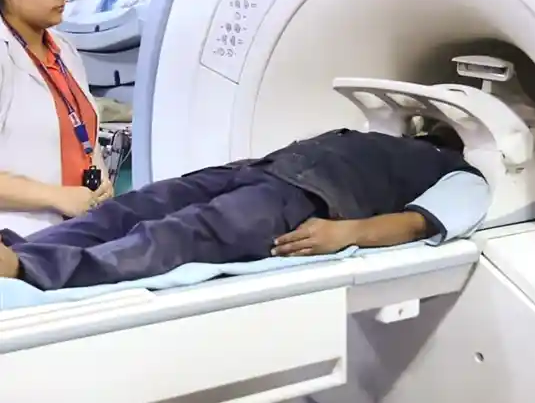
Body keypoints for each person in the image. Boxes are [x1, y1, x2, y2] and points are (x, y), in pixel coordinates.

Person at [0, 123, 491, 290]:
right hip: (257, 170)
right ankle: (19, 251)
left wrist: (348, 233)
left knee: (183, 234)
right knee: (131, 208)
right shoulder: (383, 140)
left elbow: (421, 222)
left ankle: (29, 270)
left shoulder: (463, 175)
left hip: (303, 201)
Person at [0, 0, 113, 236]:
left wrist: (100, 181)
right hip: (16, 235)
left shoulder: (65, 50)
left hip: (76, 230)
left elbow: (82, 132)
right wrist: (57, 197)